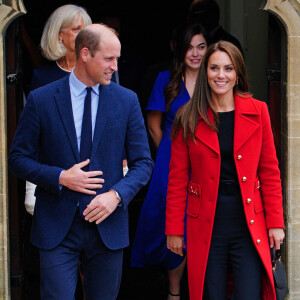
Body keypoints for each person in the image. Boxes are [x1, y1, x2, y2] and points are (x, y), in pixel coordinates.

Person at [8, 24, 153, 300]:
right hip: (56, 225)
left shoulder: (127, 101)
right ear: (85, 54)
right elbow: (17, 159)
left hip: (107, 224)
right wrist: (60, 177)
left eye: (117, 58)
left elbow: (143, 164)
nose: (115, 66)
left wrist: (116, 196)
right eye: (109, 58)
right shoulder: (42, 99)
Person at [165, 41, 285, 300]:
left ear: (238, 74)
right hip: (206, 223)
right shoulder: (187, 116)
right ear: (205, 71)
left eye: (228, 68)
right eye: (214, 68)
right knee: (211, 294)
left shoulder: (258, 110)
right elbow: (176, 178)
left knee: (249, 294)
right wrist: (174, 229)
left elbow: (270, 171)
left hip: (248, 222)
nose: (221, 75)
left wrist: (276, 222)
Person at [131, 23, 208, 300]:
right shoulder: (166, 78)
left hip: (206, 161)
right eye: (190, 47)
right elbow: (153, 126)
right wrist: (171, 154)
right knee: (167, 220)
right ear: (178, 49)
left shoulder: (215, 78)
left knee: (199, 222)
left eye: (201, 47)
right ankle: (174, 292)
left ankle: (200, 289)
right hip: (170, 158)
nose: (196, 53)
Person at [25, 4, 92, 215]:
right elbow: (33, 132)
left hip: (92, 167)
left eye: (85, 30)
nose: (83, 35)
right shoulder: (42, 77)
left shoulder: (97, 73)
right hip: (53, 170)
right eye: (75, 29)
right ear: (59, 35)